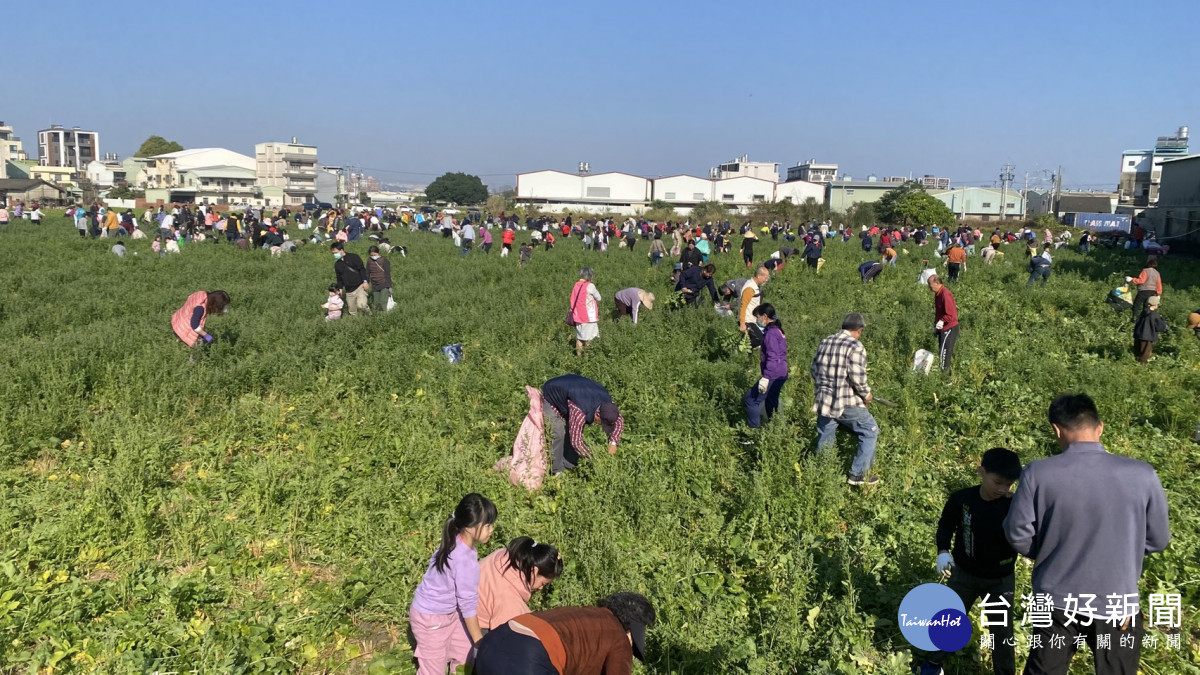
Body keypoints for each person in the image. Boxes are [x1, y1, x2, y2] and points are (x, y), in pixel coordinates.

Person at [1003, 394, 1169, 675]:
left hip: (1056, 599)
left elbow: (1017, 533)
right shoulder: (1142, 474)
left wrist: (1048, 552)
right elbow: (1158, 539)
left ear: (1056, 430)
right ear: (1100, 427)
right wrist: (1122, 551)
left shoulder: (1038, 473)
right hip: (1117, 600)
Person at [918, 448, 1022, 675]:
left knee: (1002, 632)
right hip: (964, 574)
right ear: (981, 472)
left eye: (1009, 485)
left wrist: (1022, 500)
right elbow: (946, 525)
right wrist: (943, 551)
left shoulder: (1014, 504)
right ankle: (932, 665)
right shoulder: (962, 499)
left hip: (1000, 580)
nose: (1003, 489)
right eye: (998, 482)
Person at [410, 493, 498, 675]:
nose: (492, 529)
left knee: (464, 653)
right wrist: (479, 640)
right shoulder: (464, 561)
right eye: (488, 525)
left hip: (450, 613)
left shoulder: (454, 539)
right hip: (431, 618)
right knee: (433, 669)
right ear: (471, 527)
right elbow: (468, 605)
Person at [473, 592, 655, 675]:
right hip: (529, 657)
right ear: (632, 629)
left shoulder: (588, 613)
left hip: (491, 646)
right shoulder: (619, 637)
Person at [811, 313, 879, 485]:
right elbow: (857, 377)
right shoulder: (855, 346)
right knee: (870, 430)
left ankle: (822, 473)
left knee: (826, 432)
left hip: (824, 399)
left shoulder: (825, 341)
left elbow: (814, 368)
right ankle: (858, 475)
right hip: (845, 402)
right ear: (859, 330)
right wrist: (866, 394)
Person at [540, 374, 624, 474]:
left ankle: (569, 464)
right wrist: (594, 459)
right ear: (597, 415)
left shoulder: (608, 405)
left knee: (572, 431)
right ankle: (556, 470)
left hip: (573, 392)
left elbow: (619, 421)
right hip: (551, 395)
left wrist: (613, 443)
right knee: (558, 432)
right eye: (601, 423)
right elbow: (576, 442)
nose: (600, 425)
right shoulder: (580, 411)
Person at [477, 537, 563, 632]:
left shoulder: (504, 555)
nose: (541, 588)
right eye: (543, 583)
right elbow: (504, 637)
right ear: (534, 571)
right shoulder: (510, 601)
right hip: (472, 628)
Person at [744, 304, 788, 429]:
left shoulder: (771, 333)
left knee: (750, 400)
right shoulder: (778, 330)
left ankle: (754, 432)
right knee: (770, 400)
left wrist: (766, 377)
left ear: (764, 316)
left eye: (758, 317)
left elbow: (773, 356)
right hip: (781, 372)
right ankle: (775, 428)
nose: (757, 321)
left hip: (773, 372)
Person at [928, 275, 958, 374]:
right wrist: (936, 326)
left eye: (930, 284)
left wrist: (942, 321)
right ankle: (946, 376)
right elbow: (939, 312)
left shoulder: (945, 294)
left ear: (937, 283)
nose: (929, 286)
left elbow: (950, 314)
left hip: (949, 327)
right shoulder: (938, 294)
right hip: (942, 328)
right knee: (942, 352)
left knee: (944, 355)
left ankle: (946, 380)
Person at [568, 268, 602, 356]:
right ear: (590, 276)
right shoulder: (590, 286)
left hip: (577, 316)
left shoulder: (576, 285)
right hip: (588, 317)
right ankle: (587, 358)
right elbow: (599, 297)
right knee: (589, 338)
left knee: (579, 338)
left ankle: (578, 357)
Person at [331, 242, 370, 316]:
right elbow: (339, 278)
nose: (334, 255)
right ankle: (356, 322)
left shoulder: (353, 257)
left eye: (336, 252)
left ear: (341, 250)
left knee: (362, 305)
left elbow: (362, 269)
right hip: (349, 290)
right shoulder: (337, 264)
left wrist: (365, 281)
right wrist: (340, 290)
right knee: (352, 311)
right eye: (333, 253)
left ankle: (369, 315)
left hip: (359, 286)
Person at [738, 266, 770, 348]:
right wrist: (742, 324)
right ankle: (738, 349)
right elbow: (743, 306)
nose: (766, 280)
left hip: (752, 319)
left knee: (751, 340)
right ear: (759, 276)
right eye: (765, 277)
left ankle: (744, 356)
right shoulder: (750, 288)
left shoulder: (755, 286)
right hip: (747, 320)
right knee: (759, 339)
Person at [1126, 258, 1162, 323]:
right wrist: (1158, 294)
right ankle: (1145, 321)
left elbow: (1141, 280)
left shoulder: (1145, 270)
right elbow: (1158, 284)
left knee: (1136, 306)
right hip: (1152, 292)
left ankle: (1134, 319)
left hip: (1143, 291)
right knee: (1147, 307)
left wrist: (1131, 279)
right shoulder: (1157, 273)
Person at [1133, 295, 1167, 363]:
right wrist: (1165, 326)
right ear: (1156, 305)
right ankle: (1141, 367)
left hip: (1139, 334)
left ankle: (1135, 363)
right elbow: (1160, 326)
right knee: (1145, 353)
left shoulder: (1143, 312)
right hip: (1147, 336)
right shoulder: (1154, 315)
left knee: (1138, 351)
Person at [366, 245, 393, 312]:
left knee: (383, 301)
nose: (373, 257)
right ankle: (376, 315)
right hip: (374, 284)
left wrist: (389, 286)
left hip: (384, 283)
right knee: (376, 302)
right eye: (371, 255)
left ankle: (384, 315)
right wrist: (367, 282)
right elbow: (367, 273)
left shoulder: (384, 260)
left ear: (378, 252)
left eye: (374, 255)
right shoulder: (369, 261)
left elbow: (387, 273)